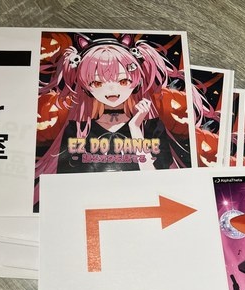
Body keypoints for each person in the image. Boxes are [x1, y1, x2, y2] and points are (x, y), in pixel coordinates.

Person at [35, 33, 190, 182]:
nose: (111, 90)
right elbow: (68, 183)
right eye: (97, 83)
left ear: (137, 83)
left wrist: (135, 127)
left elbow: (156, 181)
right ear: (86, 87)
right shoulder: (77, 130)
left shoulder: (152, 127)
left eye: (123, 81)